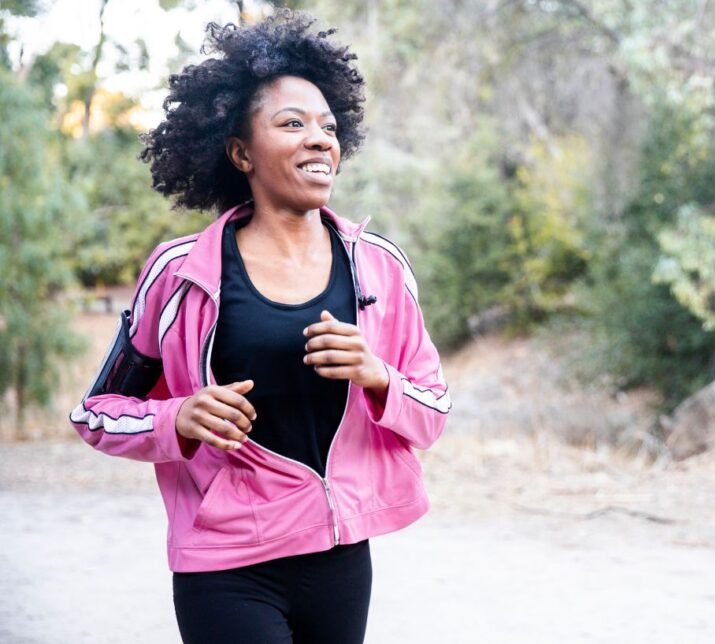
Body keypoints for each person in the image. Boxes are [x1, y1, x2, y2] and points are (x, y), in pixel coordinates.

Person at [68, 11, 450, 644]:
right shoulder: (180, 273)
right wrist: (177, 417)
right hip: (227, 564)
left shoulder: (379, 266)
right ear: (241, 152)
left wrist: (379, 376)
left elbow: (434, 410)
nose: (319, 140)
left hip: (340, 560)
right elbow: (97, 413)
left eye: (328, 127)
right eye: (292, 124)